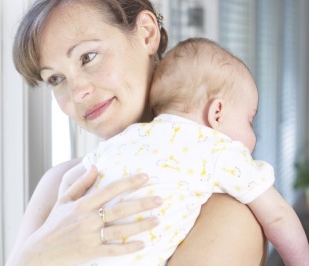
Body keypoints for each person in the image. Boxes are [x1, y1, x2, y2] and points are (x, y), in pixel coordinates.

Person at [7, 1, 268, 265]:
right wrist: (37, 256)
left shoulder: (226, 212)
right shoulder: (58, 185)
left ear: (147, 33)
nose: (76, 92)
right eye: (55, 78)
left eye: (88, 57)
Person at [64, 37, 309, 265]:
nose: (254, 135)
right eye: (249, 120)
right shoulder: (218, 150)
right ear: (217, 113)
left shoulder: (124, 140)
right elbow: (277, 216)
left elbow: (71, 183)